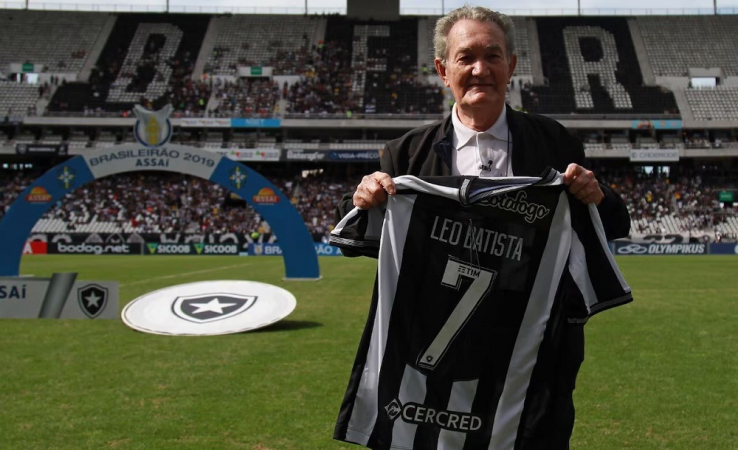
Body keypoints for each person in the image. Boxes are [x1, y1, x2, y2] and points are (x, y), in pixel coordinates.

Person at [334, 5, 631, 449]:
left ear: (511, 66)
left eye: (493, 56)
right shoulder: (407, 154)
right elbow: (354, 236)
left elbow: (612, 223)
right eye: (465, 57)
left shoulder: (554, 142)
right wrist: (364, 199)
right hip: (431, 362)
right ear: (442, 69)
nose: (480, 69)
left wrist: (596, 193)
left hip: (533, 366)